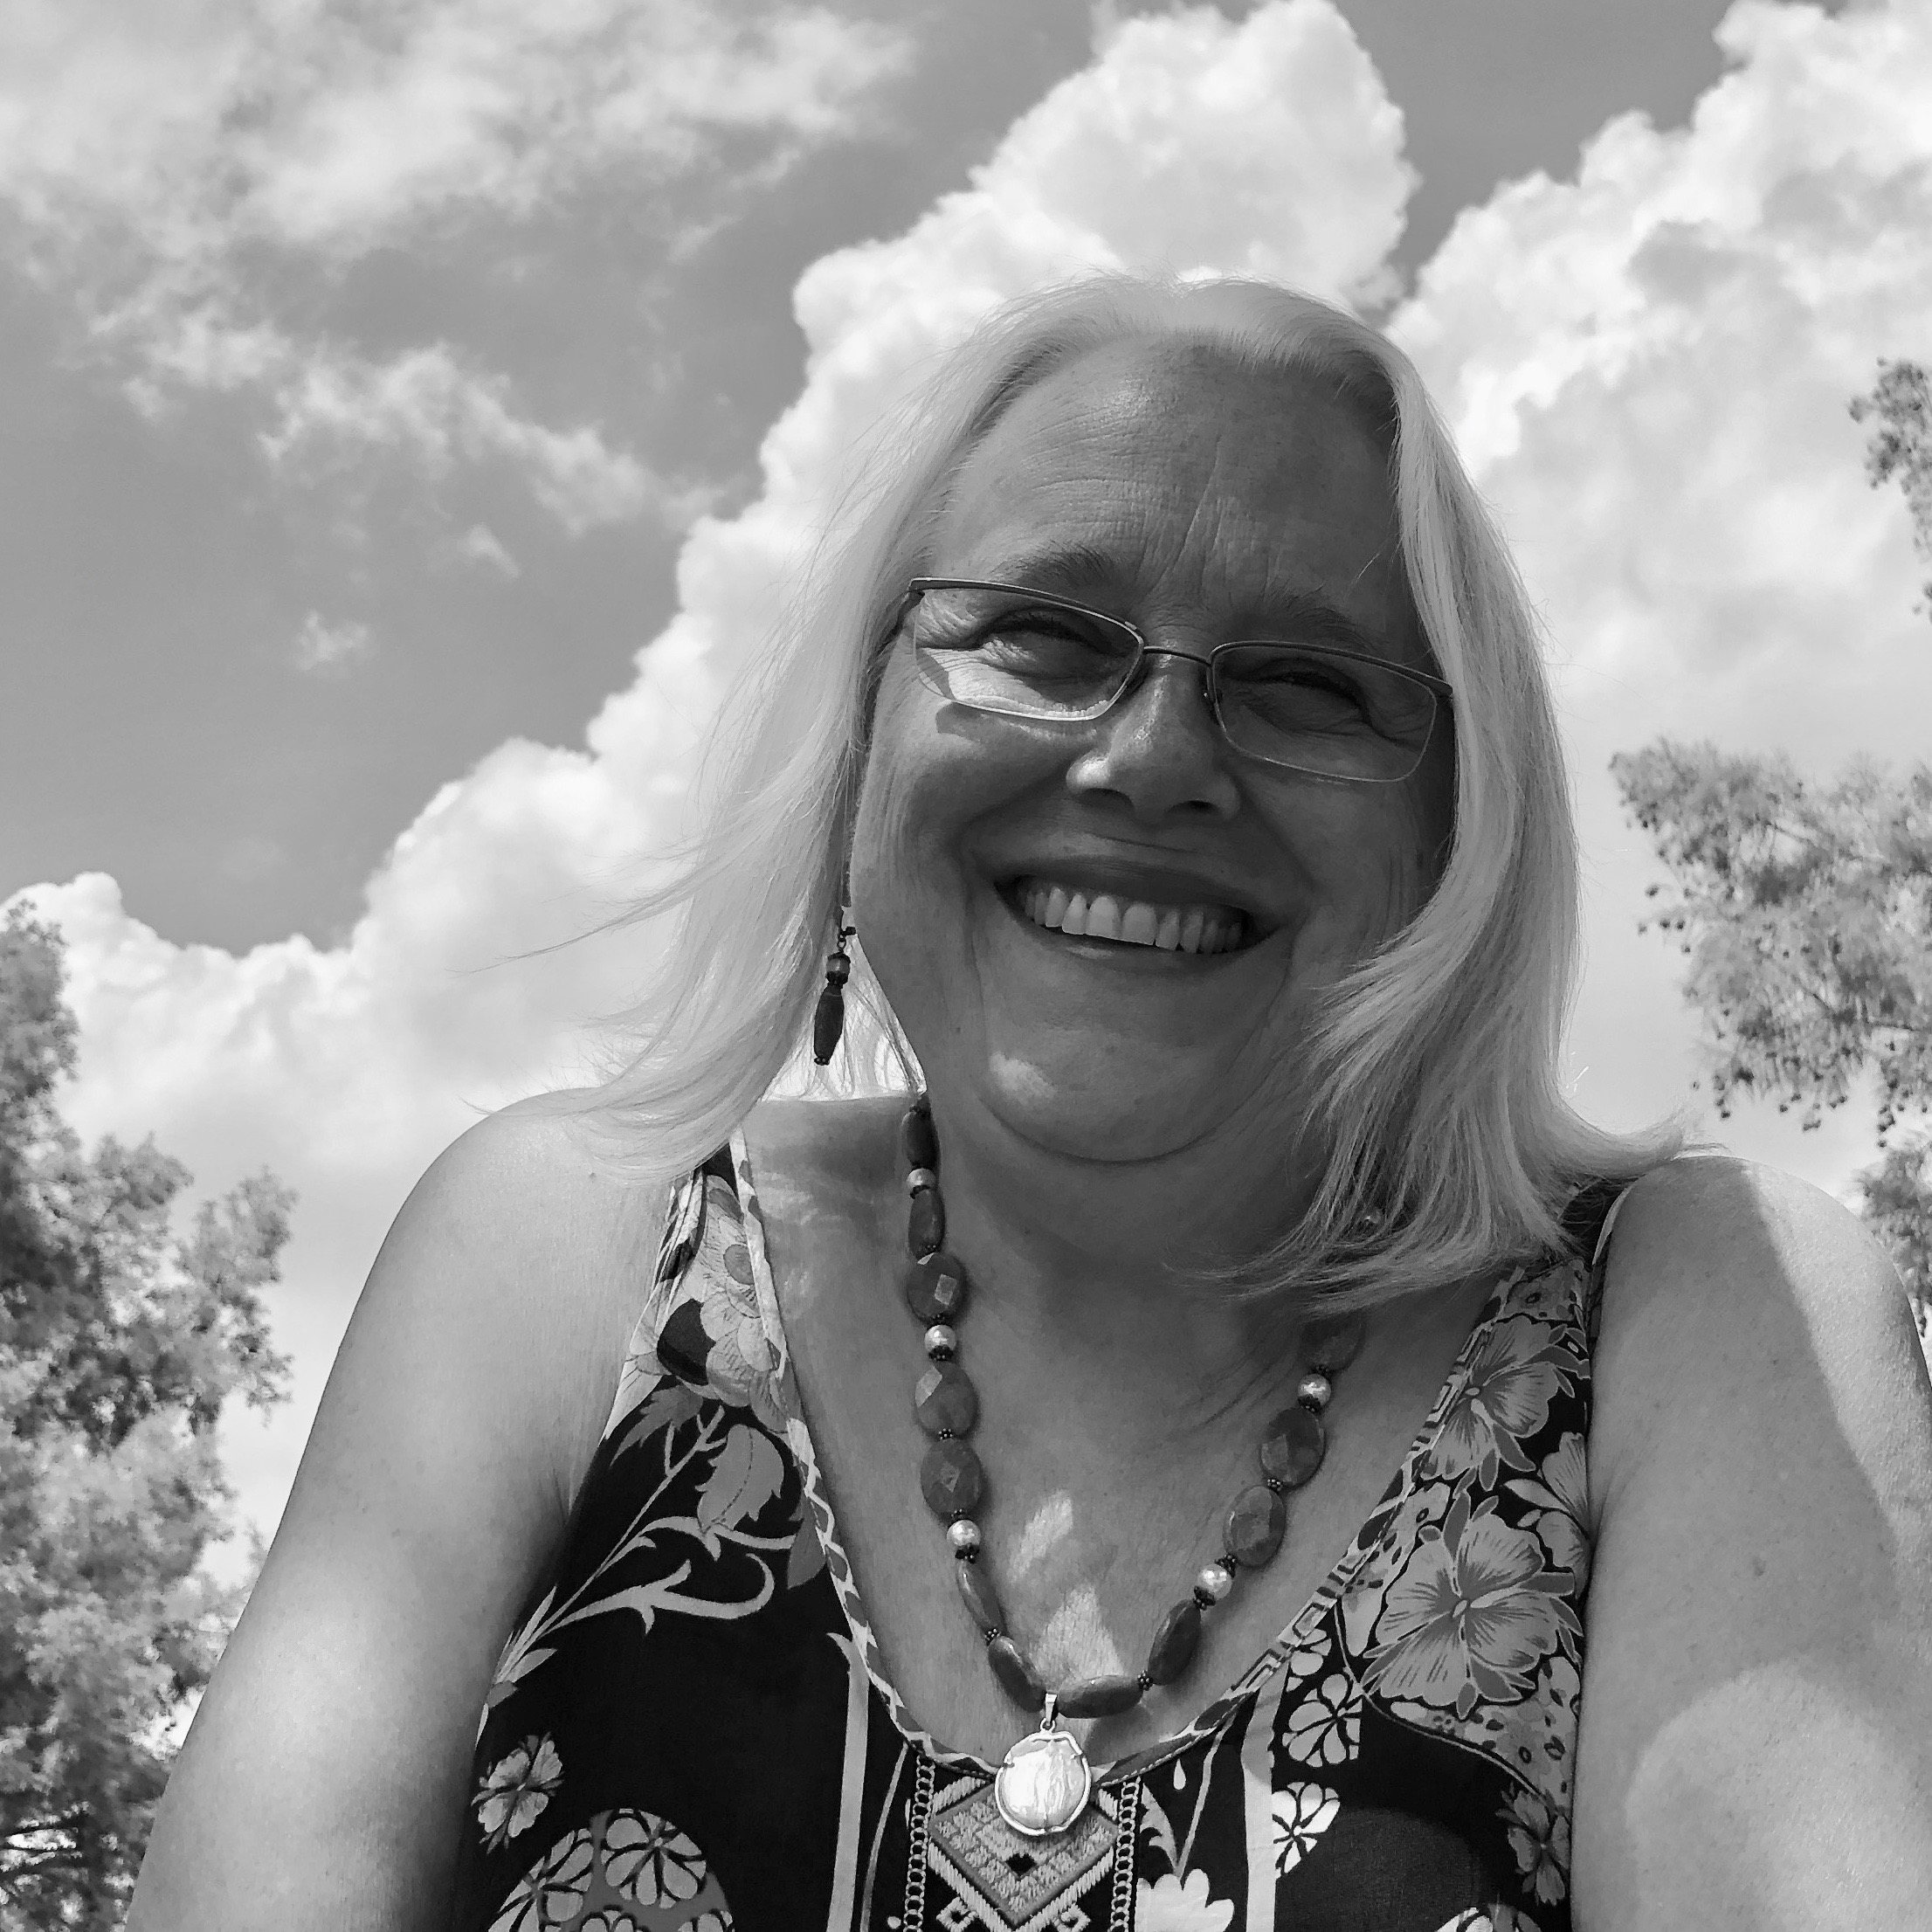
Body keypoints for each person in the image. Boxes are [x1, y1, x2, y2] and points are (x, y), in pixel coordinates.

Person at [130, 277, 1932, 1932]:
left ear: (1457, 821)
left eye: (1305, 683)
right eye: (1043, 636)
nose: (1152, 757)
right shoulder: (564, 1251)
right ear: (860, 733)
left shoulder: (1698, 1312)